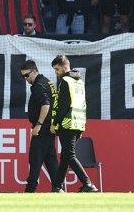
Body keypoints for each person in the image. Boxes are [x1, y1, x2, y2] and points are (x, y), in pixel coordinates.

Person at [50, 54, 98, 193]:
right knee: (66, 156)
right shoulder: (79, 82)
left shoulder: (66, 81)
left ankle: (88, 184)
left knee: (69, 155)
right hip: (78, 123)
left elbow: (63, 106)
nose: (56, 73)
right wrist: (82, 125)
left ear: (65, 67)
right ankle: (57, 187)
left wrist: (55, 123)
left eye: (57, 69)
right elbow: (82, 104)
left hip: (67, 123)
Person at [20, 59, 58, 192]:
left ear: (35, 71)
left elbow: (46, 104)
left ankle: (30, 189)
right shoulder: (47, 82)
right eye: (23, 76)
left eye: (27, 75)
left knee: (35, 157)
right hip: (49, 127)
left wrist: (39, 125)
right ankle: (58, 187)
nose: (25, 78)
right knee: (50, 159)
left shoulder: (38, 85)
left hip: (43, 127)